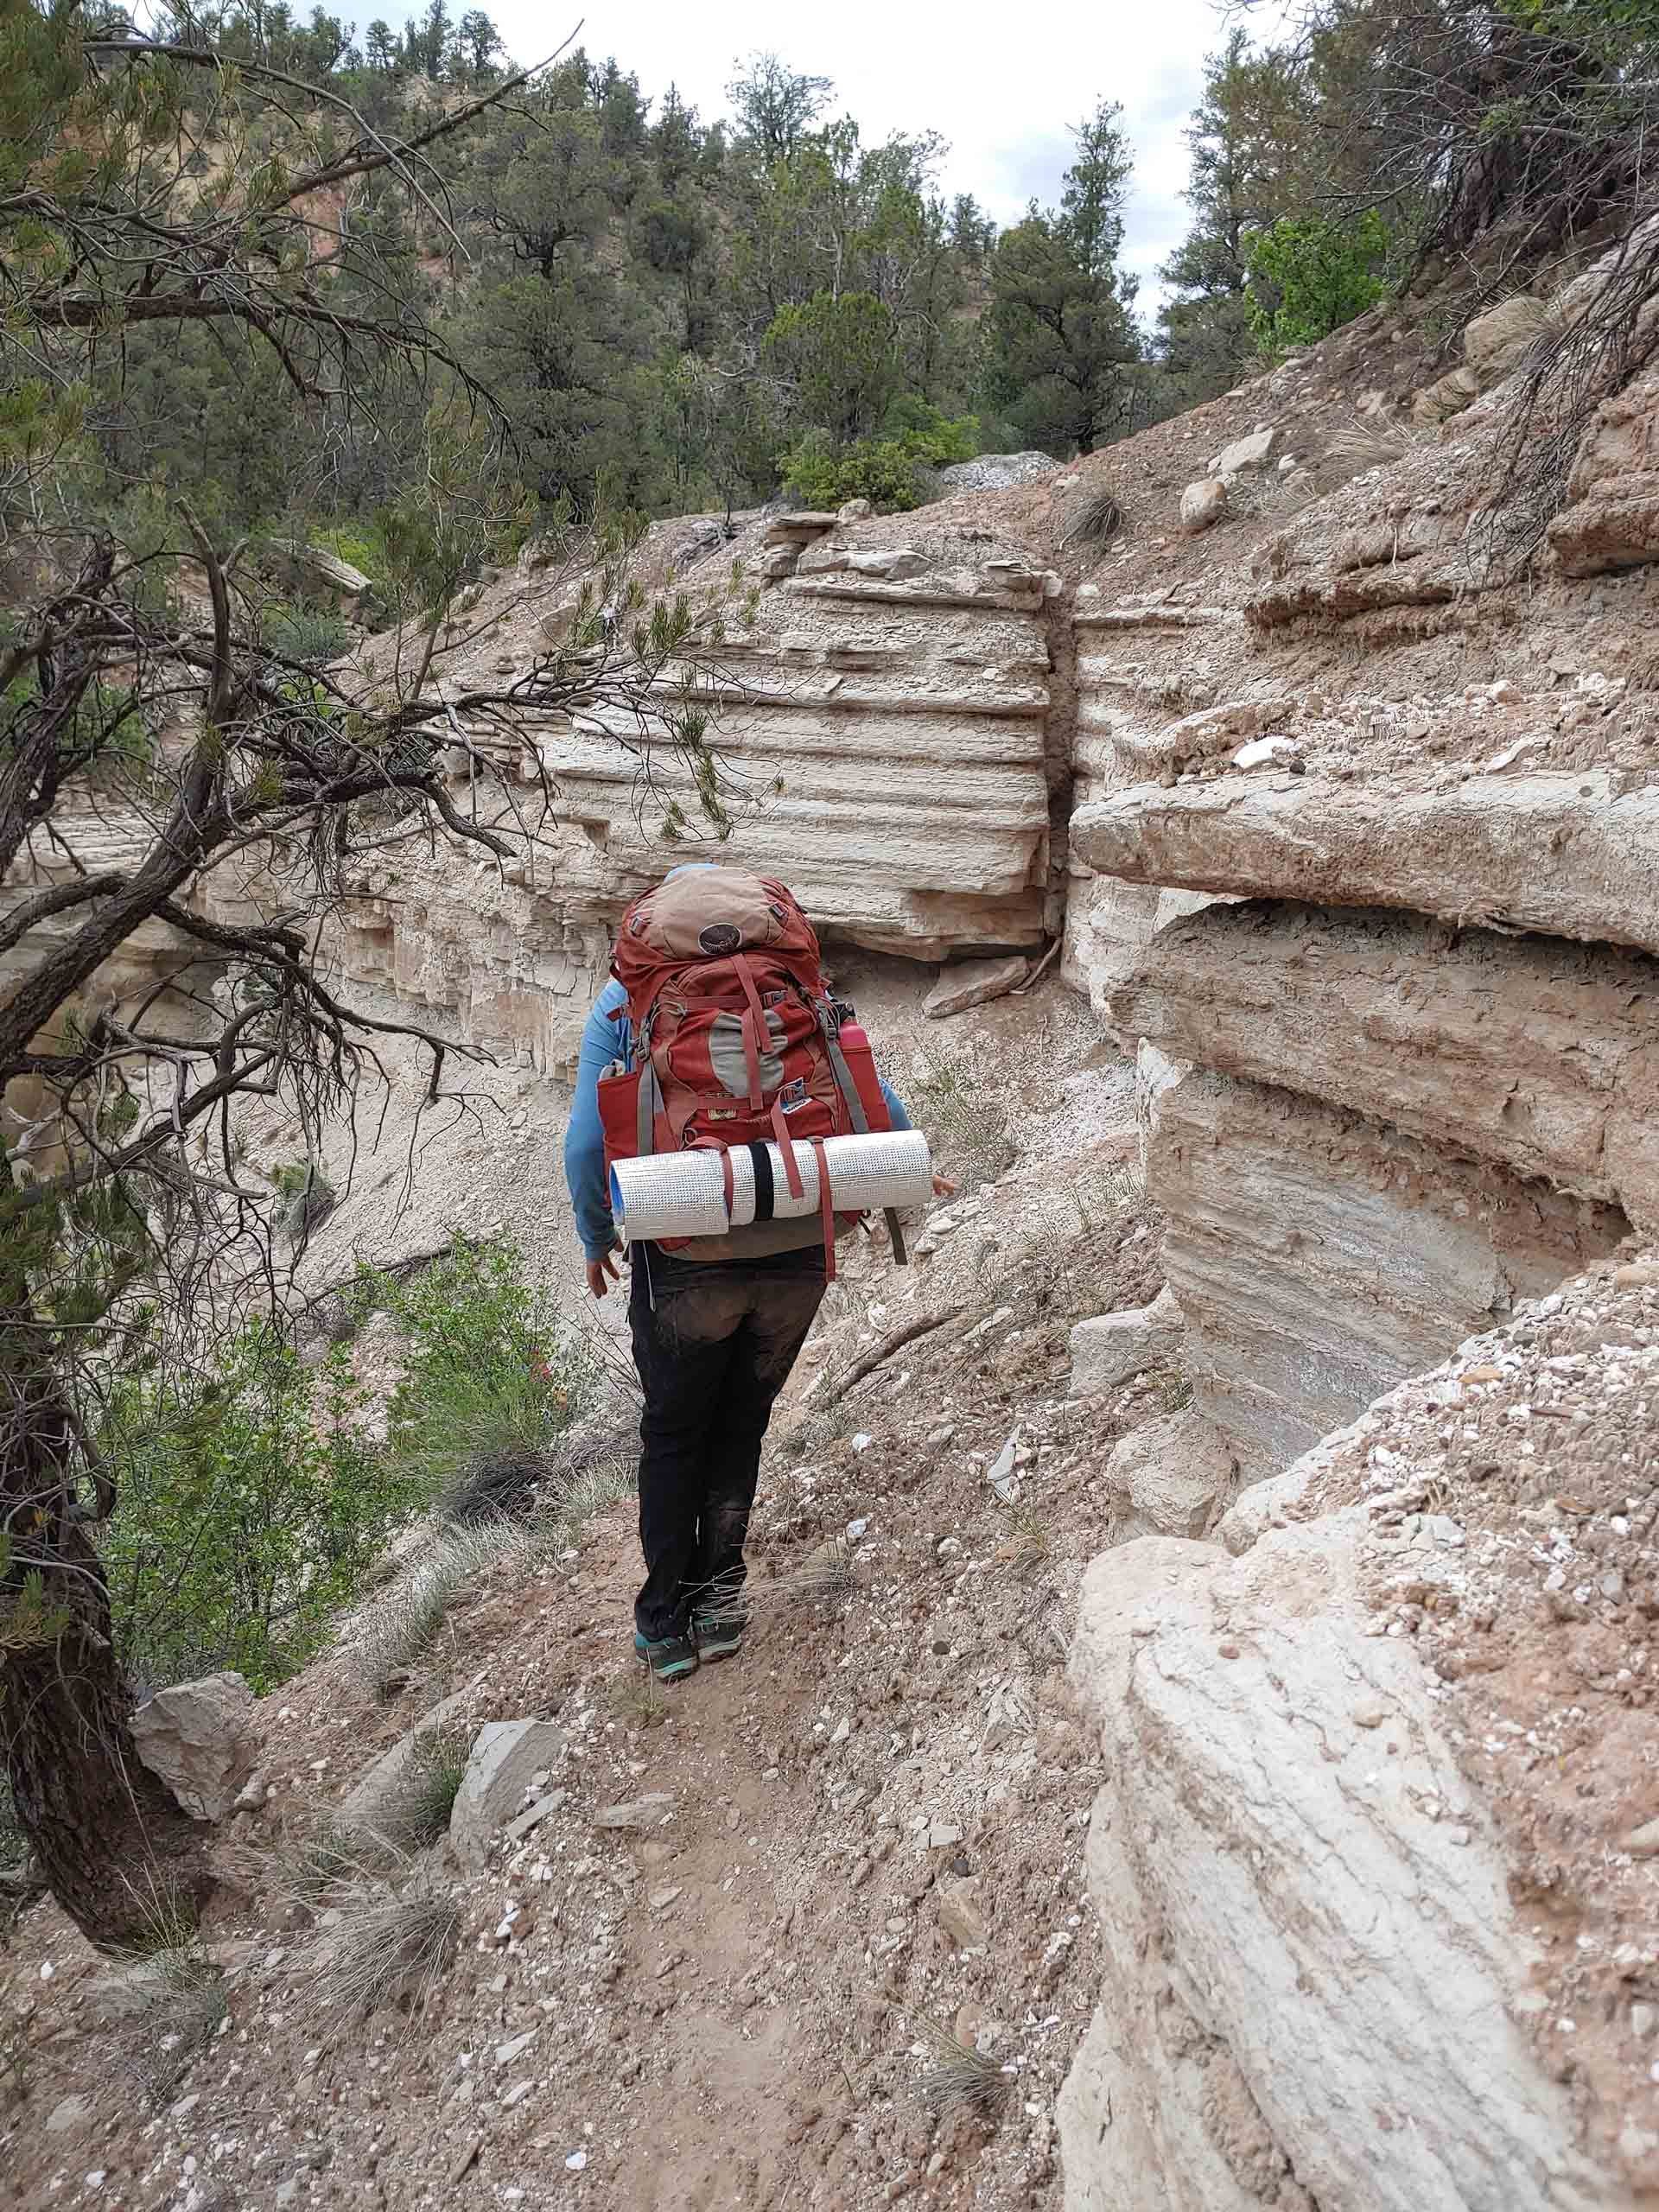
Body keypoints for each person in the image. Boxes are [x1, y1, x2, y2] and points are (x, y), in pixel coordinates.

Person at [563, 864, 946, 1682]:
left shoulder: (625, 1005)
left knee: (674, 1433)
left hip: (688, 1246)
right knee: (741, 1423)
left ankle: (666, 1623)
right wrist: (906, 1167)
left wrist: (598, 1235)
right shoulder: (795, 988)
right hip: (798, 1239)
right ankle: (722, 1602)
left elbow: (586, 1146)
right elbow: (864, 1086)